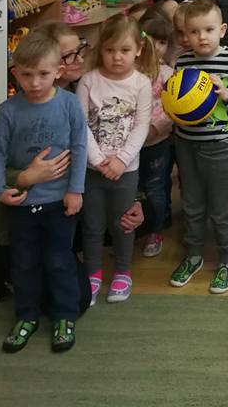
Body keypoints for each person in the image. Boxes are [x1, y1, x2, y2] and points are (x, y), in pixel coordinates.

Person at [0, 28, 87, 354]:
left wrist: (75, 190)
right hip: (22, 204)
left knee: (59, 260)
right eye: (27, 74)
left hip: (59, 203)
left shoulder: (69, 104)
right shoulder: (8, 110)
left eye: (43, 74)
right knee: (24, 263)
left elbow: (80, 148)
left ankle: (64, 316)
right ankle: (26, 316)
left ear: (58, 71)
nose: (34, 82)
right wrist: (0, 189)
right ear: (15, 73)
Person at [169, 0, 228, 294]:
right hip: (186, 144)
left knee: (222, 209)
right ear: (186, 34)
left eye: (208, 30)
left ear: (221, 30)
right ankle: (193, 256)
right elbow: (176, 100)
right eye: (194, 32)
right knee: (192, 205)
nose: (202, 37)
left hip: (222, 146)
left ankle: (227, 260)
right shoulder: (183, 61)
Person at [77, 15, 155, 305]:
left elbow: (142, 126)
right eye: (110, 50)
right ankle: (93, 273)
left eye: (124, 50)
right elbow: (80, 125)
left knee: (123, 222)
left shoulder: (141, 83)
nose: (117, 57)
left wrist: (121, 160)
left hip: (126, 170)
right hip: (92, 169)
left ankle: (122, 271)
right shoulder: (88, 81)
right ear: (101, 50)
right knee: (92, 225)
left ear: (138, 50)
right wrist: (98, 160)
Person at [138, 12, 175, 258]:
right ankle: (136, 229)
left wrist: (153, 129)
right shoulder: (129, 71)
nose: (157, 47)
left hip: (157, 142)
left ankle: (155, 230)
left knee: (155, 187)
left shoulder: (167, 73)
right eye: (151, 39)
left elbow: (171, 109)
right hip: (128, 145)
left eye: (163, 42)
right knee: (134, 189)